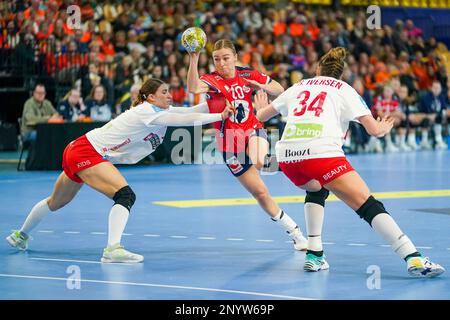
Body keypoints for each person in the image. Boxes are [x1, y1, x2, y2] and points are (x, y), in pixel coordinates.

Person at [253, 47, 445, 277]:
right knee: (367, 204)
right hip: (321, 153)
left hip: (287, 157)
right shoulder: (344, 89)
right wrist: (383, 127)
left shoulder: (300, 85)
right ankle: (413, 258)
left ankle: (314, 255)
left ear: (317, 70)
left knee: (316, 188)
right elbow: (373, 130)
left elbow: (261, 116)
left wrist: (258, 108)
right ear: (340, 75)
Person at [6, 78, 234, 263]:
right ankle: (113, 248)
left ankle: (20, 236)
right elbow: (189, 119)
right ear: (151, 97)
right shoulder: (147, 111)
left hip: (79, 147)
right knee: (125, 195)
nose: (169, 95)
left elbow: (190, 110)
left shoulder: (158, 111)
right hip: (88, 152)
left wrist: (219, 100)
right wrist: (219, 116)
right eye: (164, 92)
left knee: (56, 201)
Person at [187, 39, 307, 250]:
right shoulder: (212, 80)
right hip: (229, 145)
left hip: (252, 130)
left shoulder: (247, 74)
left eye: (225, 58)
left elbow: (279, 90)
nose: (222, 63)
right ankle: (295, 232)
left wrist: (259, 85)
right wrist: (194, 57)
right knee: (260, 193)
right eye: (217, 59)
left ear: (235, 57)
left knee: (260, 161)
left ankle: (295, 161)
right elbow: (193, 87)